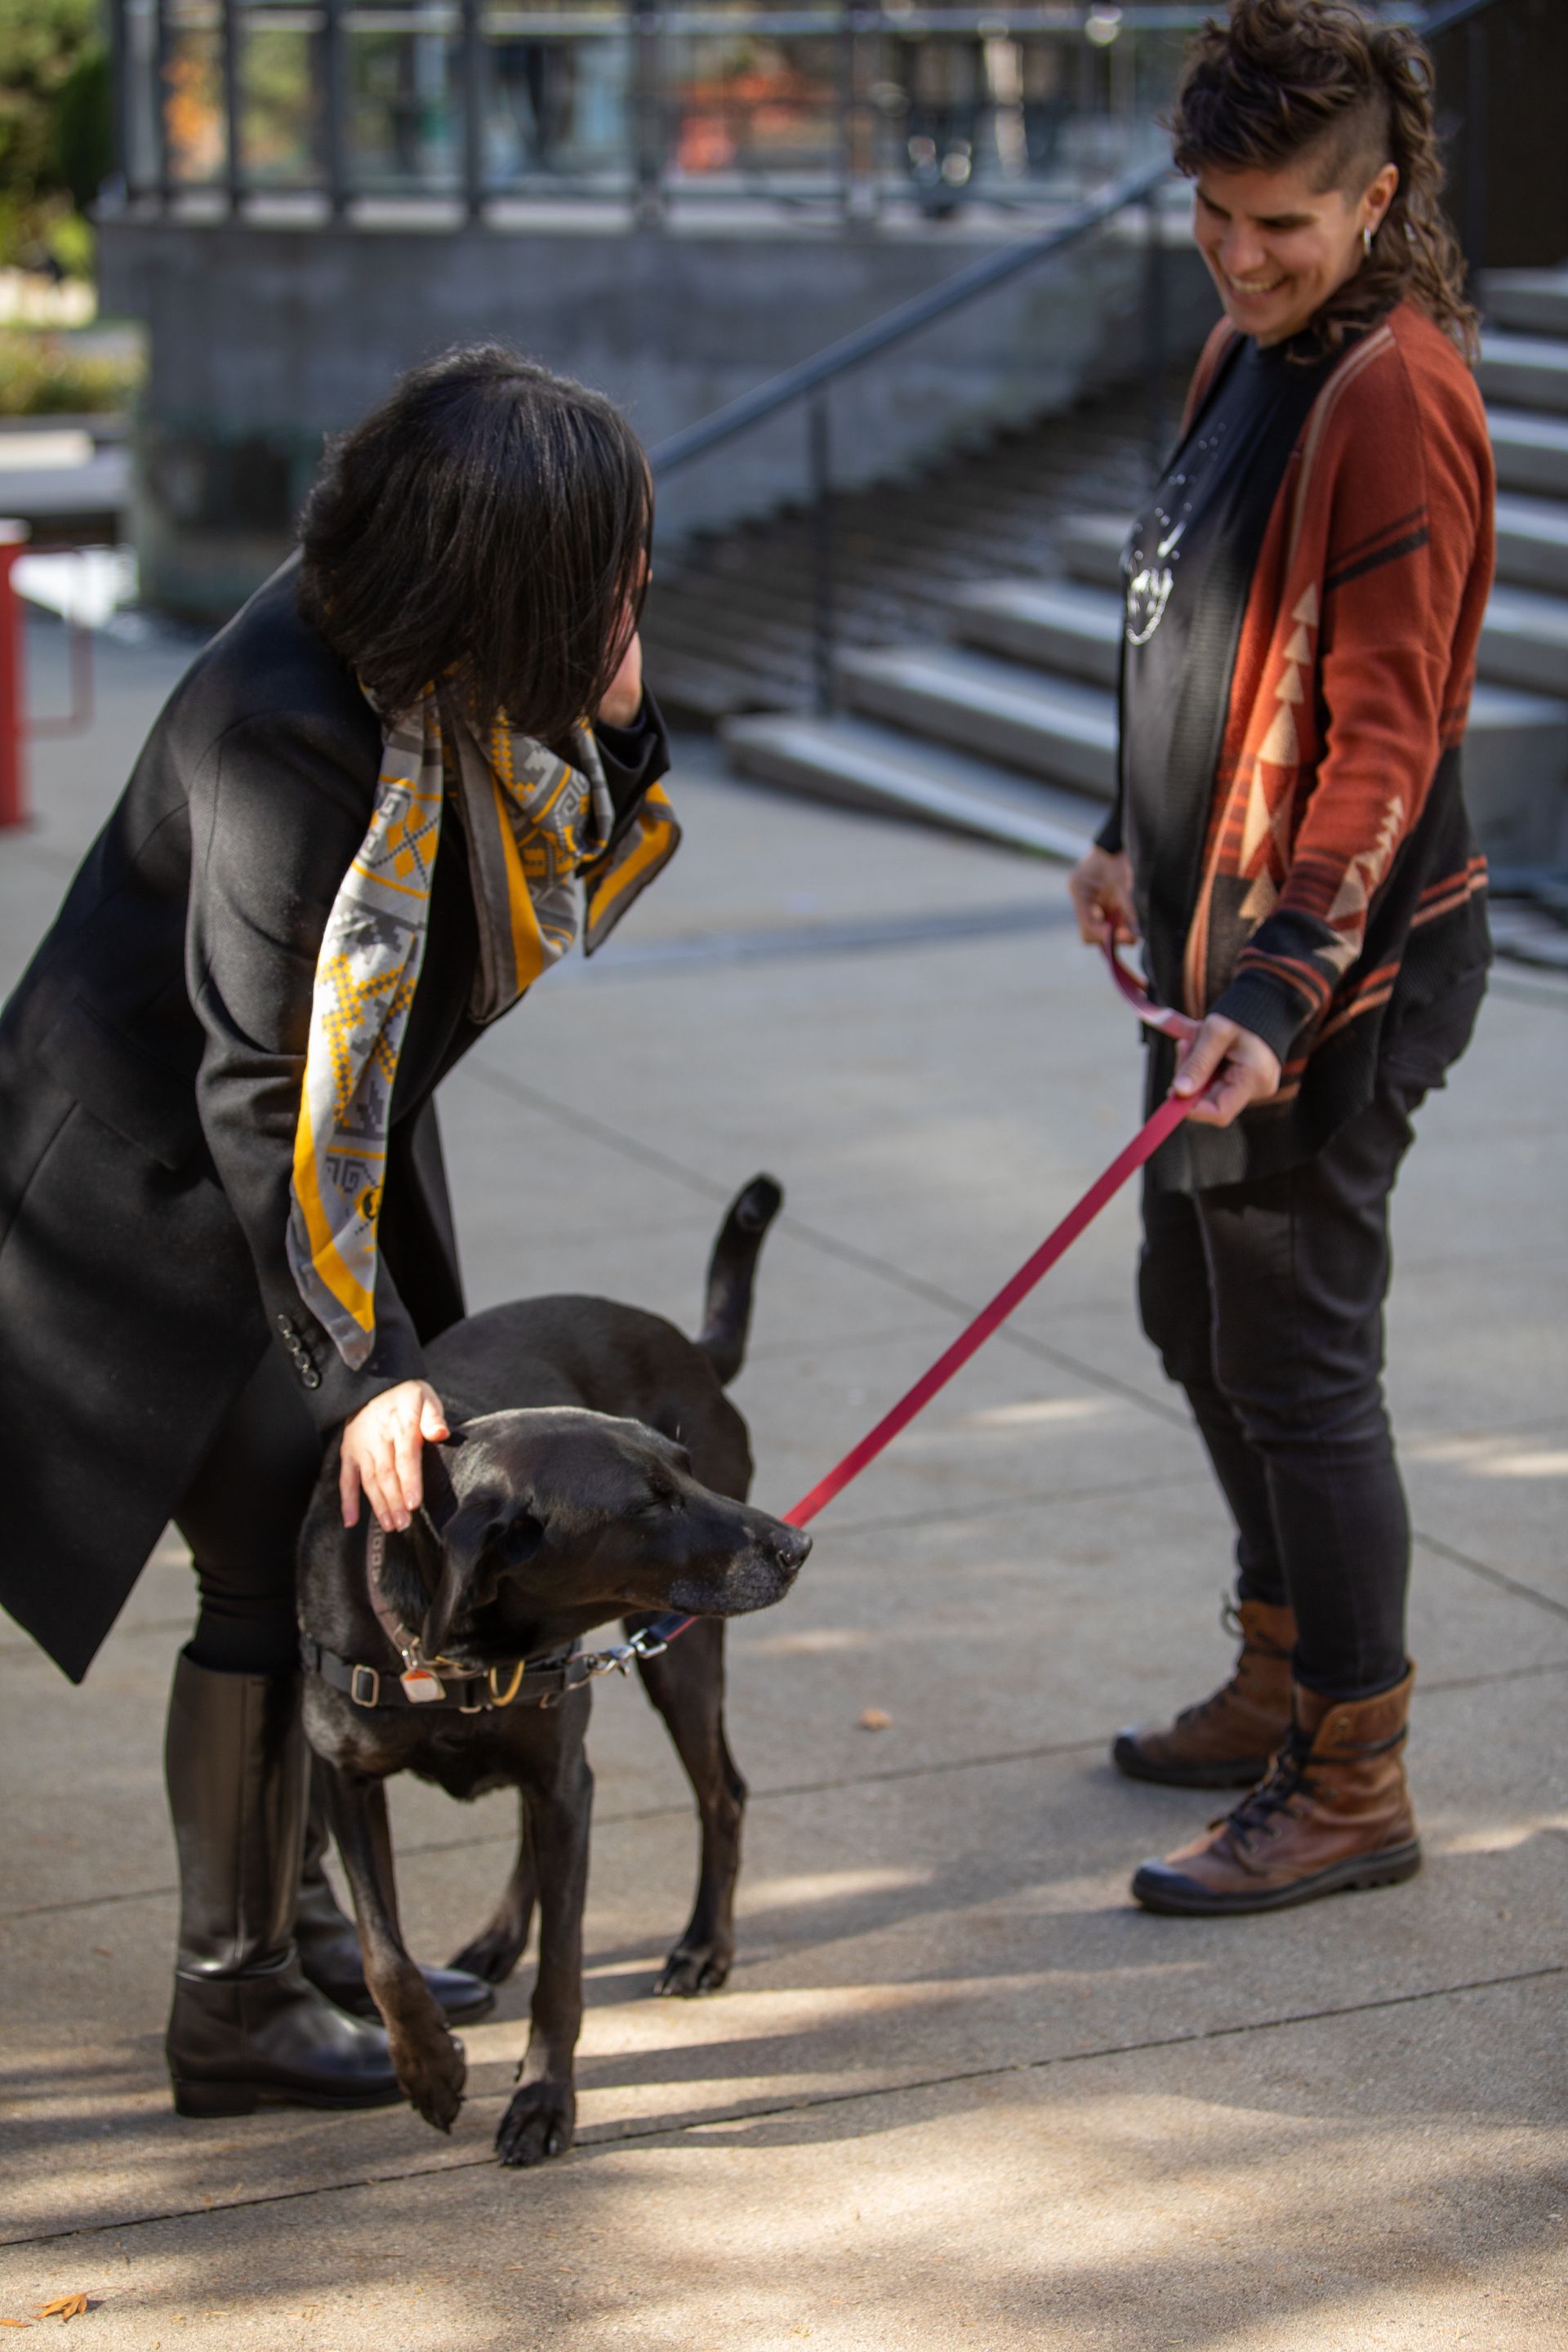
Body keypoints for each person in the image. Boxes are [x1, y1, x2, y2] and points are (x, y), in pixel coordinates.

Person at [0, 348, 679, 2110]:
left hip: (315, 1160)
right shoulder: (281, 732)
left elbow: (559, 867)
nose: (634, 596)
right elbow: (251, 1079)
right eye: (607, 577)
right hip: (154, 1190)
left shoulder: (427, 673)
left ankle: (293, 1931)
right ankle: (231, 1999)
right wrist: (365, 1362)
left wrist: (616, 703)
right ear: (496, 579)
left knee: (308, 1541)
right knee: (272, 1552)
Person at [1068, 0, 1494, 1916]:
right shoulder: (1241, 357)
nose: (1239, 257)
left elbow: (1389, 735)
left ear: (1377, 196)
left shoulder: (1389, 390)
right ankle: (1274, 1666)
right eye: (1212, 216)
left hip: (1331, 975)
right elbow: (1183, 629)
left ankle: (1353, 1768)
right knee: (1193, 1310)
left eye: (1282, 229)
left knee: (1301, 1358)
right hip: (1208, 956)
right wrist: (1114, 833)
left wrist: (1273, 988)